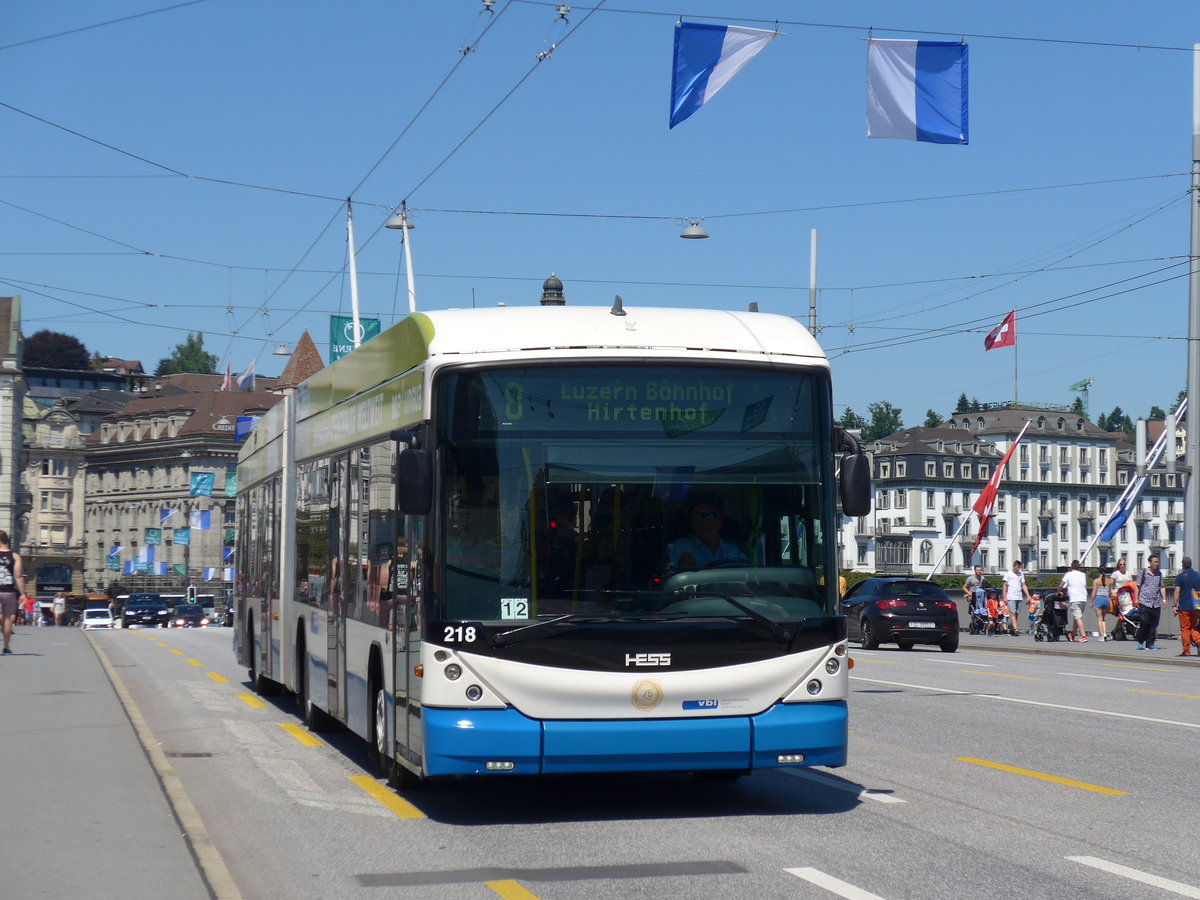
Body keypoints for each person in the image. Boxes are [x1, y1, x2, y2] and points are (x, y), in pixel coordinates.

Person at [669, 499, 747, 569]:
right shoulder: (679, 547)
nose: (704, 521)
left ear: (720, 522)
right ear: (692, 522)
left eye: (710, 515)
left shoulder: (735, 553)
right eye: (698, 516)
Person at [0, 531, 27, 655]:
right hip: (8, 591)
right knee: (7, 619)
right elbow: (18, 576)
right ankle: (6, 647)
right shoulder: (15, 556)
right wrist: (22, 594)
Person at [1134, 553, 1166, 650]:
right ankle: (1140, 641)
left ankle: (1150, 644)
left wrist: (1164, 599)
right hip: (1144, 601)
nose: (1156, 564)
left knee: (1154, 624)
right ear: (1150, 562)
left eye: (1157, 562)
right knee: (1144, 622)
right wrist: (1136, 598)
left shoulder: (1159, 574)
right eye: (1155, 562)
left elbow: (1162, 587)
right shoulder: (1143, 572)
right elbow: (1137, 586)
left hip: (1155, 602)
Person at [1172, 556, 1200, 658]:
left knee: (1185, 629)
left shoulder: (1180, 576)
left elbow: (1177, 591)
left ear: (1183, 564)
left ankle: (1186, 651)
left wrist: (1174, 605)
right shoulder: (1198, 575)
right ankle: (1198, 641)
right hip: (1196, 606)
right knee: (1193, 627)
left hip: (1184, 606)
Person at [1060, 559, 1089, 642]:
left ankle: (1083, 636)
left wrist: (1059, 591)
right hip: (1083, 598)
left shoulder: (1068, 574)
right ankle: (1072, 634)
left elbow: (1061, 585)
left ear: (1071, 566)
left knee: (1078, 618)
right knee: (1076, 617)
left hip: (1075, 598)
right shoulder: (1083, 575)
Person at [1002, 560, 1032, 636]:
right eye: (1017, 567)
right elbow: (1004, 586)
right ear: (1014, 566)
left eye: (1019, 567)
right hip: (1011, 596)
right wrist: (1004, 597)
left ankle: (1012, 628)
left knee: (1017, 613)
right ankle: (1016, 629)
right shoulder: (1008, 574)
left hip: (1019, 596)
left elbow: (1023, 585)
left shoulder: (1021, 574)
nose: (1018, 569)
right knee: (1013, 612)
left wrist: (1028, 595)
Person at [1090, 565, 1113, 641]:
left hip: (1099, 599)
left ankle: (1102, 636)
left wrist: (1091, 601)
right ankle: (1105, 633)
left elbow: (1094, 592)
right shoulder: (1109, 581)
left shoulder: (1096, 581)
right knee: (1103, 618)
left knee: (1099, 619)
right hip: (1106, 599)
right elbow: (1110, 592)